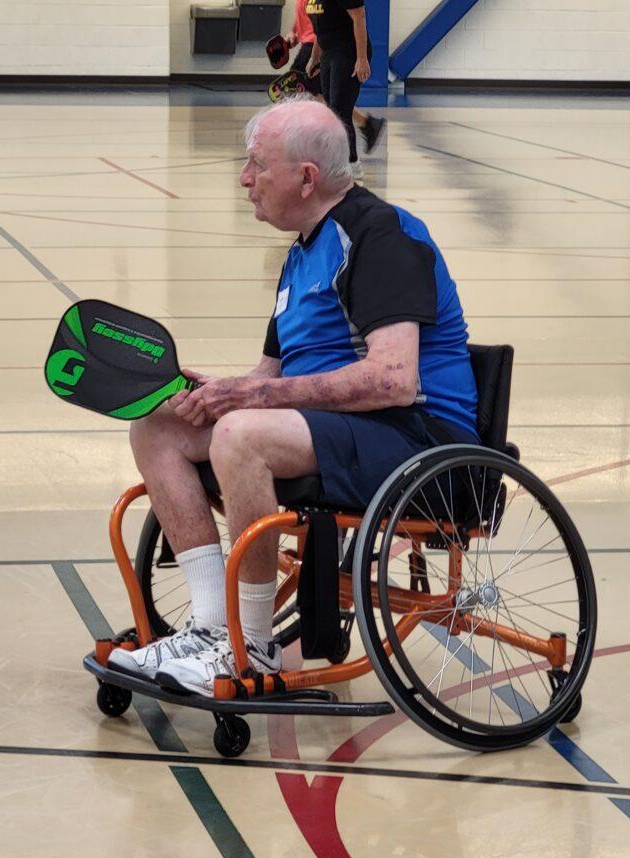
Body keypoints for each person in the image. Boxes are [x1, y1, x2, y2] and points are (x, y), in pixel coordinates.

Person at [109, 99, 478, 696]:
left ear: (307, 178)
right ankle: (210, 628)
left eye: (257, 164)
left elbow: (394, 379)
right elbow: (270, 375)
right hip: (335, 431)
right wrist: (215, 394)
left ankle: (249, 643)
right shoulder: (301, 254)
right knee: (158, 427)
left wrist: (253, 399)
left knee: (241, 434)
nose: (244, 178)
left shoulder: (381, 236)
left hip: (418, 439)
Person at [287, 0, 383, 169]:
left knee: (340, 111)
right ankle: (340, 157)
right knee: (331, 109)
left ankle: (351, 165)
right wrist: (314, 59)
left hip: (348, 51)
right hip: (328, 53)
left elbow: (359, 17)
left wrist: (361, 59)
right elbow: (320, 29)